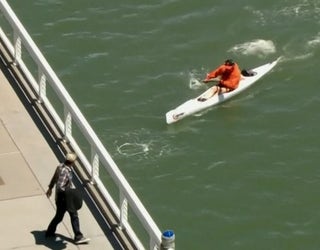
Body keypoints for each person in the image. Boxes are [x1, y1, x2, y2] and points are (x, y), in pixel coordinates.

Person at [45, 153, 90, 244]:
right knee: (73, 215)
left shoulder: (60, 166)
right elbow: (60, 185)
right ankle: (78, 237)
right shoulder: (65, 171)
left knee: (59, 217)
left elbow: (54, 178)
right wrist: (69, 192)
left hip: (61, 198)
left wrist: (50, 188)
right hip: (64, 198)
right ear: (72, 162)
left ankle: (49, 232)